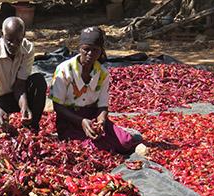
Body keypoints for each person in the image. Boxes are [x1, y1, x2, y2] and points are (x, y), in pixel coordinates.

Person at [49, 26, 145, 154]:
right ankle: (119, 133)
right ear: (79, 49)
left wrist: (101, 122)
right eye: (86, 49)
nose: (90, 54)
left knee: (125, 143)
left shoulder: (102, 73)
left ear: (101, 51)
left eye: (95, 50)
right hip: (70, 120)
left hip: (93, 117)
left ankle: (123, 133)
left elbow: (103, 106)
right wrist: (82, 122)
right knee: (91, 148)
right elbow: (58, 106)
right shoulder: (64, 70)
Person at [0, 17, 47, 133]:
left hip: (16, 94)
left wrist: (24, 106)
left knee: (39, 80)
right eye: (9, 40)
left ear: (23, 35)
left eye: (18, 40)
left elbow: (20, 83)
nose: (13, 45)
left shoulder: (28, 48)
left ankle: (32, 125)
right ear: (2, 35)